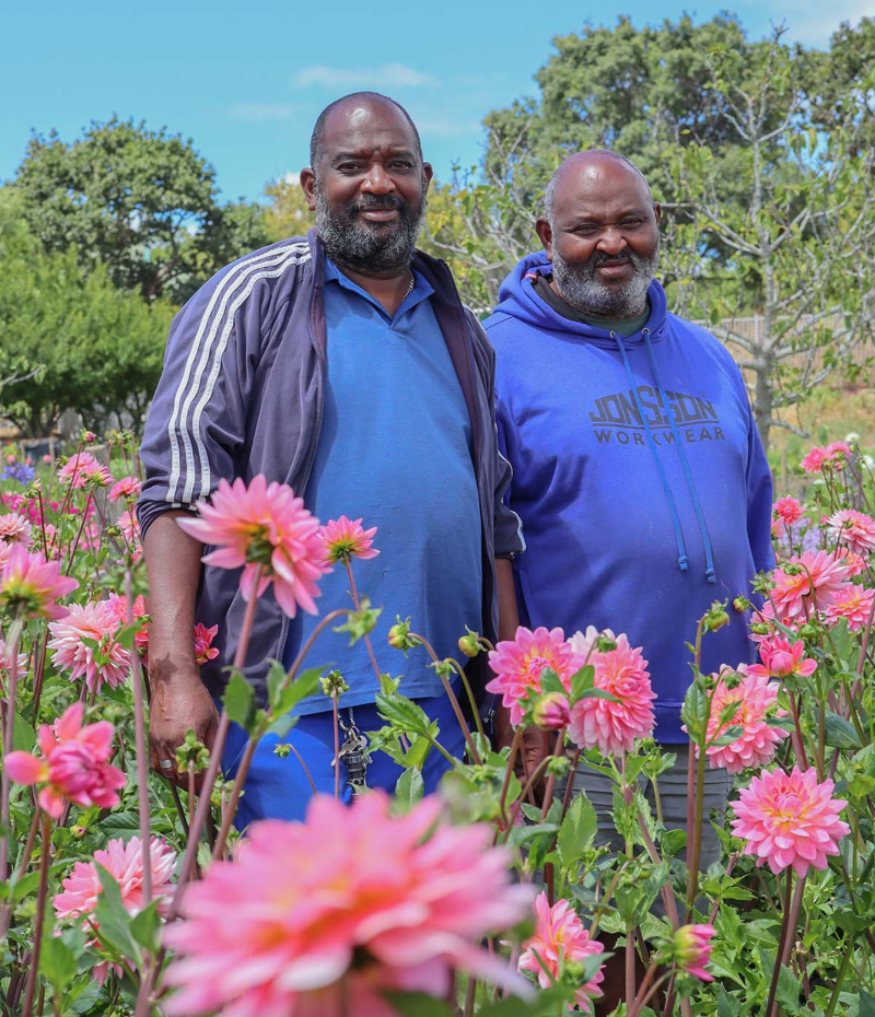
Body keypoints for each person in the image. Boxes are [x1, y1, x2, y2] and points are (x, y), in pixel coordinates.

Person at [137, 91, 524, 825]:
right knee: (297, 899)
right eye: (352, 165)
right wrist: (172, 672)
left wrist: (509, 688)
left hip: (439, 706)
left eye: (398, 164)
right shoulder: (251, 296)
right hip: (284, 708)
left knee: (424, 900)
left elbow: (495, 523)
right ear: (313, 185)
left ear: (424, 180)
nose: (378, 182)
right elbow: (178, 487)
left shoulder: (460, 325)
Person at [483, 150, 774, 1005]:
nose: (611, 242)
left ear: (656, 228)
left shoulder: (706, 356)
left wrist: (773, 682)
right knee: (600, 969)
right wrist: (523, 714)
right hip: (582, 740)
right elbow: (486, 543)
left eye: (630, 222)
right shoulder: (495, 357)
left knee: (707, 962)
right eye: (586, 227)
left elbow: (755, 516)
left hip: (720, 724)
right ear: (547, 234)